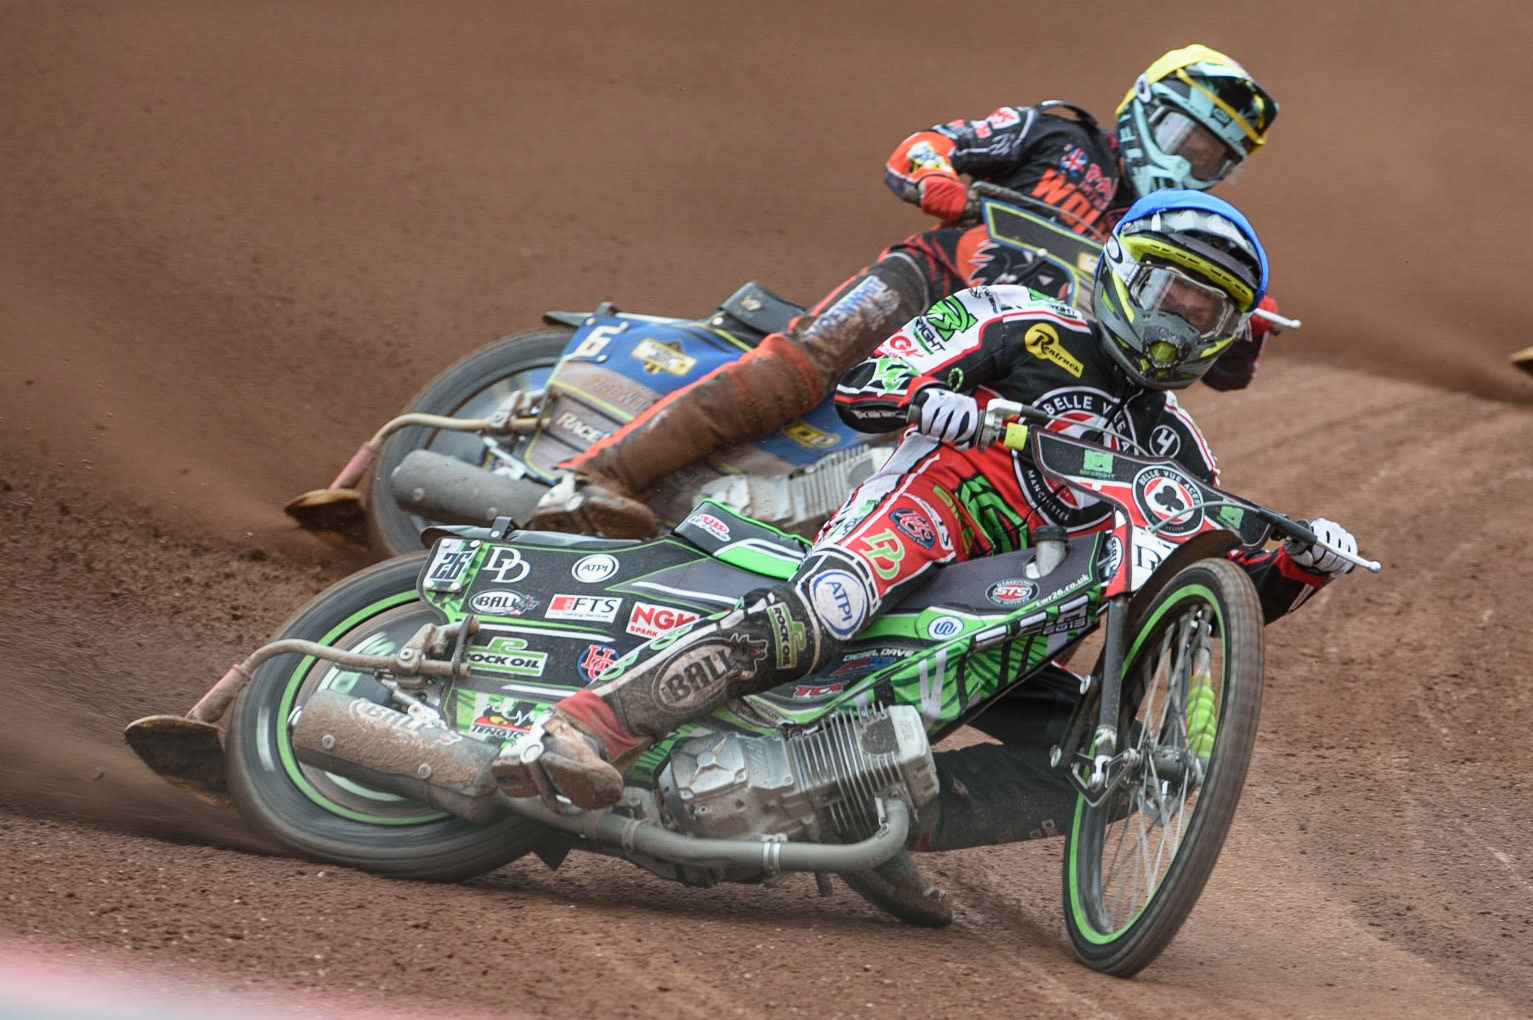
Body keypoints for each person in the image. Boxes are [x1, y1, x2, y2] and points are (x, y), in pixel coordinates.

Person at [494, 190, 1358, 921]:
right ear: (1129, 275)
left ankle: (871, 823)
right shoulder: (1016, 322)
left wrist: (1300, 566)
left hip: (1020, 610)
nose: (1185, 325)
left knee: (1107, 760)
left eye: (1210, 314)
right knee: (821, 615)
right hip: (924, 515)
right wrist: (934, 401)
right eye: (1177, 295)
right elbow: (871, 386)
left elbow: (1201, 604)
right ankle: (580, 727)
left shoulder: (1182, 452)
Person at [528, 44, 1282, 539]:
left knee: (935, 481)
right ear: (1149, 114)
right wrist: (939, 180)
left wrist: (1237, 325)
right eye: (1191, 141)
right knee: (796, 370)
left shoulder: (1171, 237)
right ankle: (594, 476)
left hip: (1013, 363)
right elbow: (923, 146)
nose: (1195, 165)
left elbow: (1216, 368)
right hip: (927, 285)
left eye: (1215, 158)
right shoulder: (1058, 138)